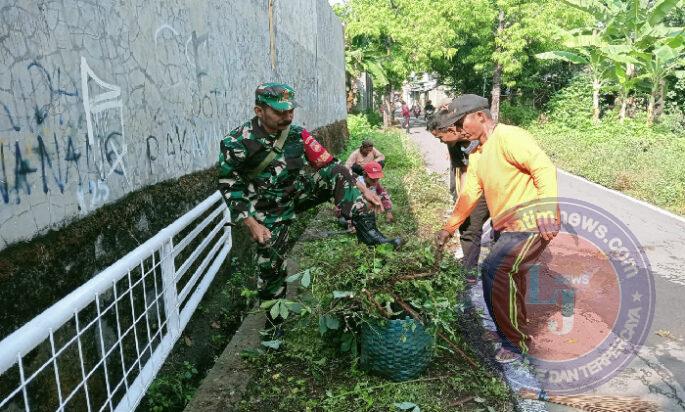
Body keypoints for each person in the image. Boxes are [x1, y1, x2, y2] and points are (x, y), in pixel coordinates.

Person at [218, 82, 401, 323]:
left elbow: (329, 163)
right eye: (280, 112)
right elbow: (230, 186)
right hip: (266, 212)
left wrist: (363, 189)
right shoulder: (236, 142)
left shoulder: (297, 134)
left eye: (291, 110)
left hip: (296, 195)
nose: (288, 116)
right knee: (271, 269)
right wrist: (251, 223)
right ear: (259, 111)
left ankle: (369, 232)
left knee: (337, 171)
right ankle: (275, 325)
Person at [434, 94, 559, 363]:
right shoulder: (478, 152)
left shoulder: (509, 137)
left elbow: (544, 168)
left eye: (460, 122)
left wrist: (548, 210)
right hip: (507, 227)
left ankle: (515, 343)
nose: (459, 130)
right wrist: (448, 228)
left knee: (494, 270)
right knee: (510, 279)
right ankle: (508, 329)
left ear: (480, 116)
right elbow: (469, 195)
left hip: (531, 222)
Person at [427, 106, 490, 280]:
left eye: (440, 137)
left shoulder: (480, 134)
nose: (441, 142)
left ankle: (500, 272)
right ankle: (469, 273)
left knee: (502, 229)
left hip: (496, 186)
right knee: (468, 227)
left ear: (450, 128)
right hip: (475, 186)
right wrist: (461, 203)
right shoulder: (453, 144)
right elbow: (464, 173)